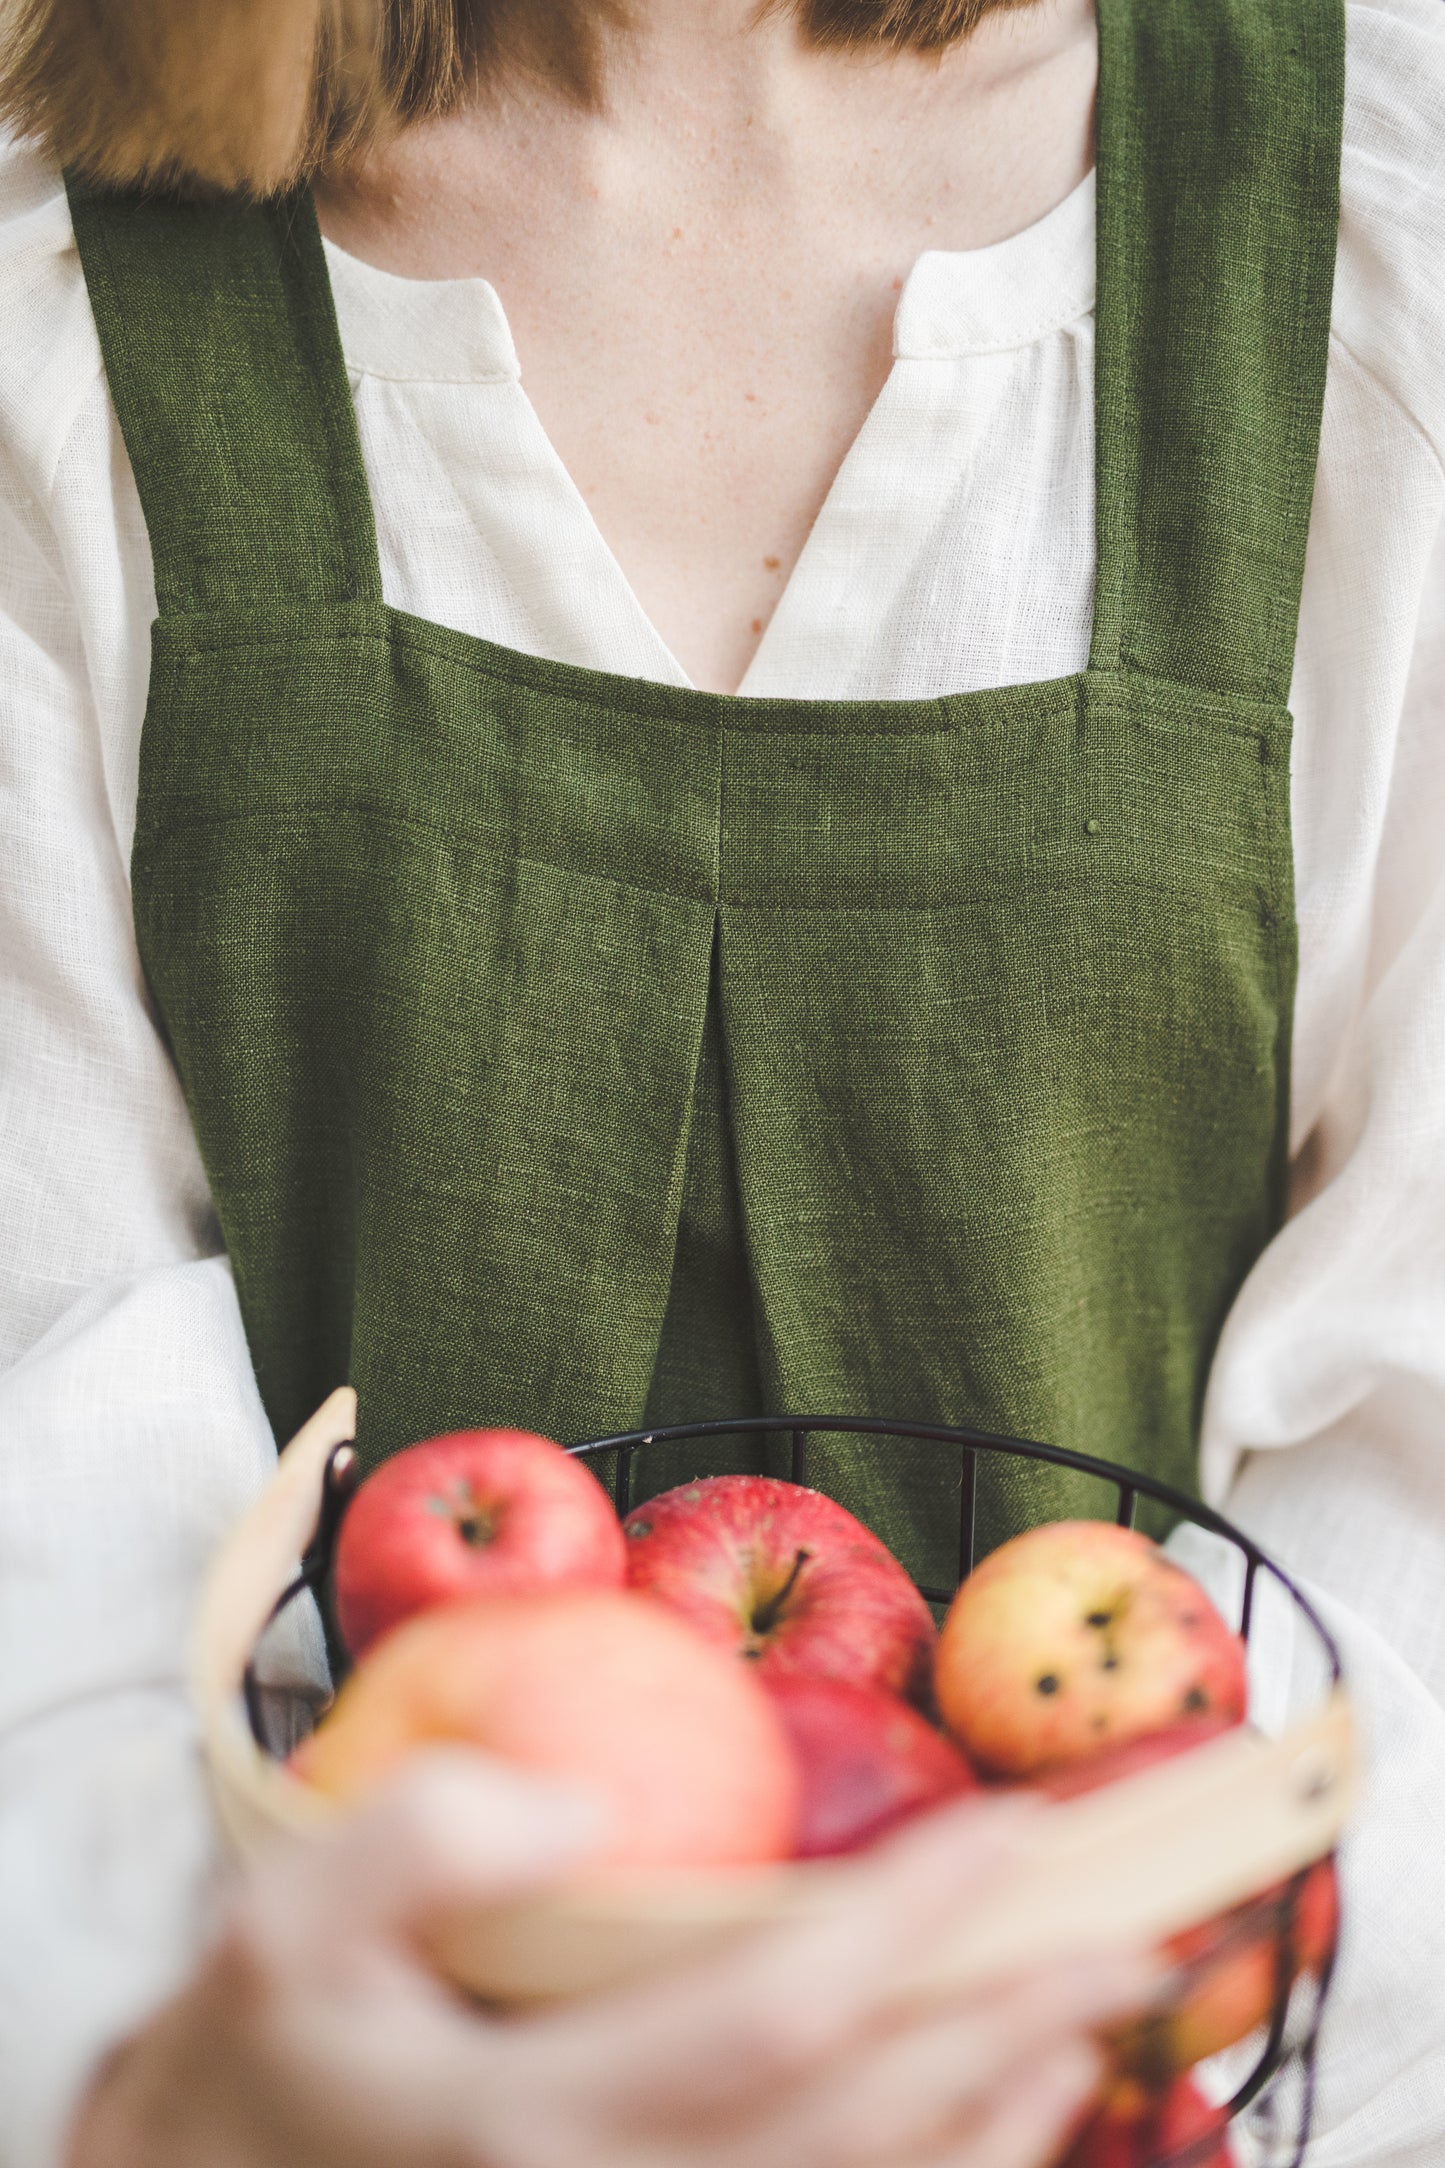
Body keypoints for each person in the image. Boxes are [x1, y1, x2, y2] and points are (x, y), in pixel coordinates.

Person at [0, 0, 1442, 2161]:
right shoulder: (65, 303)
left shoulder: (1360, 240)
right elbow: (53, 1467)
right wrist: (168, 2078)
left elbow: (1404, 1469)